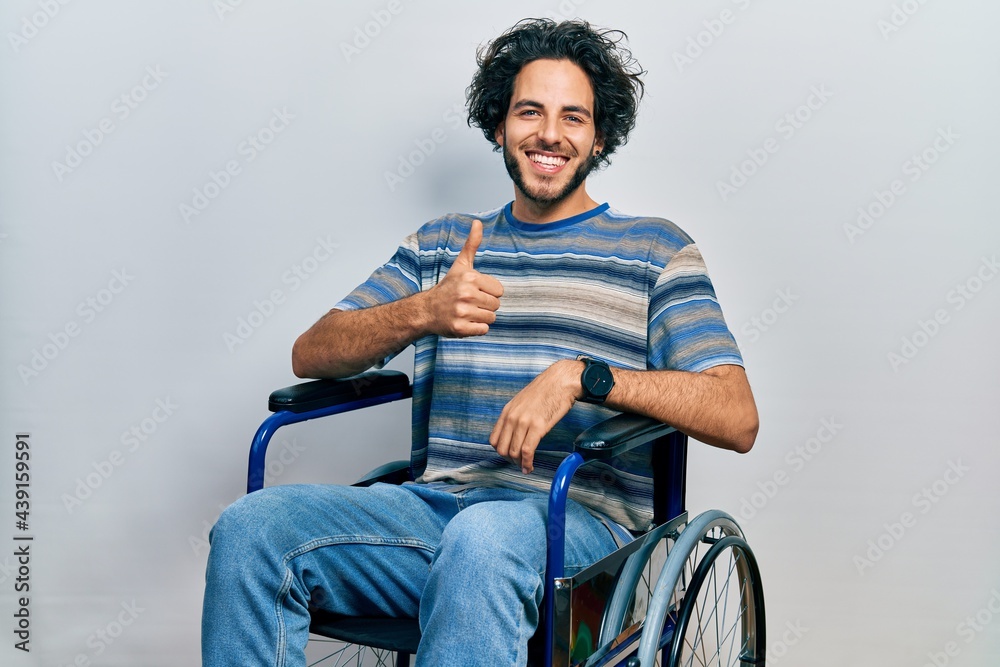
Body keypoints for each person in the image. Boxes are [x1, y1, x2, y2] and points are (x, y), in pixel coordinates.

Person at [202, 17, 758, 667]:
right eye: (530, 111)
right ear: (499, 125)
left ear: (599, 134)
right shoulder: (443, 244)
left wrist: (584, 375)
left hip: (579, 538)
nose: (549, 133)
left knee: (482, 538)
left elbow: (737, 415)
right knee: (251, 529)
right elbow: (313, 353)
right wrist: (421, 310)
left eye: (572, 117)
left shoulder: (655, 250)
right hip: (429, 515)